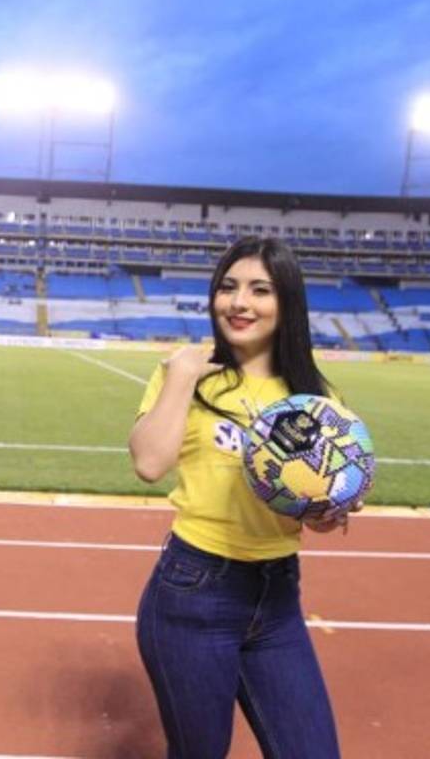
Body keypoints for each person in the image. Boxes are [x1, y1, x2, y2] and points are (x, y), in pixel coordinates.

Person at [129, 236, 360, 759]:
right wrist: (183, 377)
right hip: (195, 592)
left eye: (260, 290)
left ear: (287, 303)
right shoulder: (186, 375)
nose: (240, 302)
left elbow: (312, 509)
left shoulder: (316, 399)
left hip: (278, 598)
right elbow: (148, 463)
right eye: (228, 287)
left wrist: (328, 511)